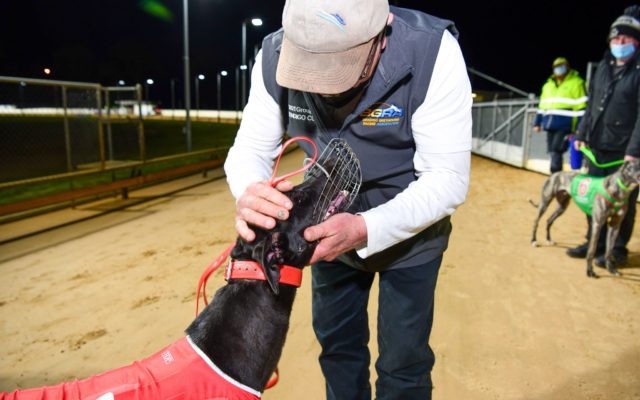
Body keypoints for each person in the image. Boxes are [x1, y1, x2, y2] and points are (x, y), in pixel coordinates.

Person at [223, 0, 472, 398]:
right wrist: (250, 189)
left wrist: (365, 228)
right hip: (325, 238)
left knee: (403, 362)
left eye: (339, 64)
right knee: (338, 350)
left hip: (411, 238)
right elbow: (250, 149)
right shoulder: (271, 54)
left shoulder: (432, 52)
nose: (321, 84)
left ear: (382, 30)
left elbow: (447, 178)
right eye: (309, 64)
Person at [568, 5, 640, 267]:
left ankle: (617, 249)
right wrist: (581, 133)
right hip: (596, 146)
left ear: (636, 41)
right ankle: (593, 242)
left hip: (625, 151)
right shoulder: (603, 67)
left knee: (624, 202)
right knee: (594, 196)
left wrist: (634, 150)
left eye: (626, 38)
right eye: (615, 37)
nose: (619, 42)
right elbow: (591, 105)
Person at [533, 57, 587, 173]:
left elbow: (582, 107)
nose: (559, 69)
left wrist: (579, 128)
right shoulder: (548, 85)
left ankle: (555, 178)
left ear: (567, 66)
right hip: (549, 124)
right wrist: (537, 122)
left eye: (561, 65)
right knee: (552, 151)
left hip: (565, 125)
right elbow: (542, 105)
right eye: (556, 67)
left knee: (557, 150)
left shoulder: (577, 82)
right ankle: (555, 177)